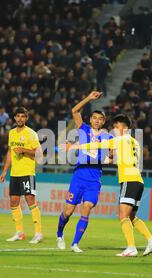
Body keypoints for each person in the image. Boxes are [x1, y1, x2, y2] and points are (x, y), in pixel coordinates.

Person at [68, 114, 152, 257]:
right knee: (131, 216)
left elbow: (98, 145)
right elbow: (124, 160)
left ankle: (131, 247)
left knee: (122, 214)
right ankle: (151, 239)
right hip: (138, 181)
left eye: (116, 127)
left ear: (124, 128)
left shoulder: (121, 139)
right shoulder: (135, 142)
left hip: (128, 180)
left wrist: (77, 146)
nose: (114, 130)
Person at [56, 91, 112, 253]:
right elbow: (74, 111)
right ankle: (60, 234)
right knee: (68, 211)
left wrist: (111, 157)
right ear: (90, 119)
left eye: (100, 119)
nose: (97, 120)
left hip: (94, 181)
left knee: (86, 207)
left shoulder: (108, 138)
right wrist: (88, 98)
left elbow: (111, 157)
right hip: (79, 177)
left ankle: (75, 244)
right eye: (95, 117)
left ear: (103, 122)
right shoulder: (83, 129)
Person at [0, 107, 43, 244]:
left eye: (22, 116)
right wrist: (5, 170)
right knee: (13, 202)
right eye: (17, 116)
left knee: (30, 200)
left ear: (26, 118)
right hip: (15, 173)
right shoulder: (11, 133)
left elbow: (39, 154)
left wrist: (24, 150)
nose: (20, 119)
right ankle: (19, 232)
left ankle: (38, 232)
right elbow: (9, 153)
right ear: (14, 118)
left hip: (27, 172)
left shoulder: (31, 134)